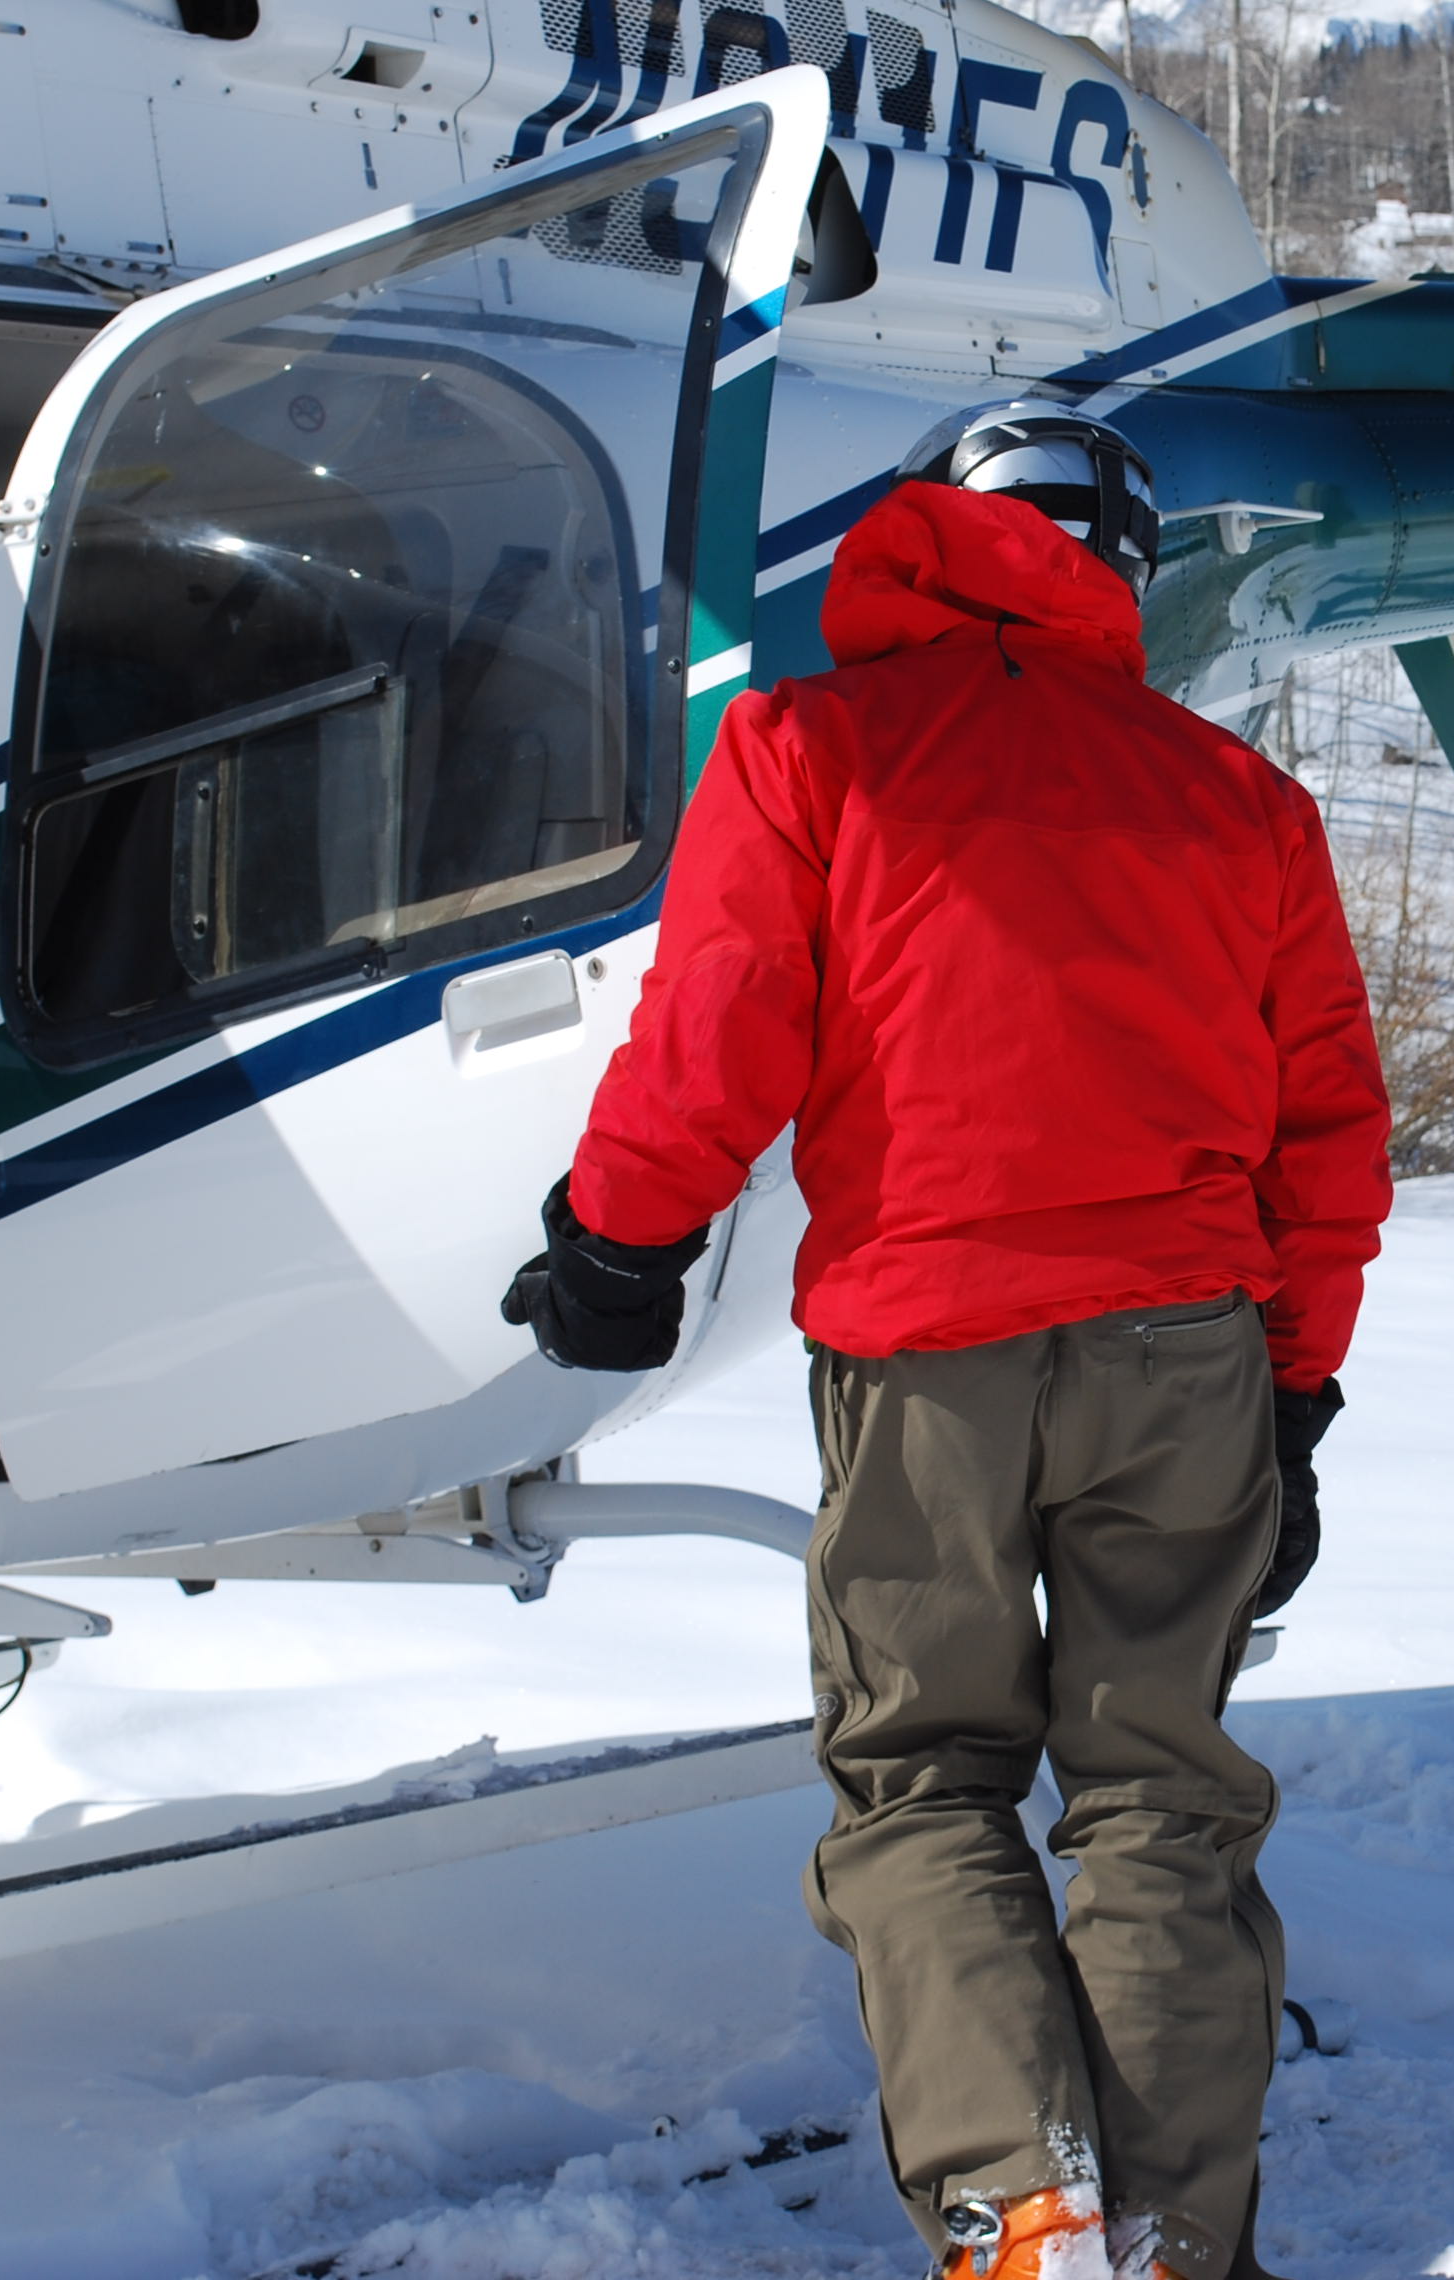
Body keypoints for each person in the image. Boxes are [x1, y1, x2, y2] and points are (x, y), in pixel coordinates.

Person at [501, 405, 1394, 2280]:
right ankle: (1168, 2239)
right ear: (1123, 568)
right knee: (1159, 1790)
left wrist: (621, 1237)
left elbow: (720, 1025)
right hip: (1184, 1352)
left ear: (935, 525)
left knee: (922, 1779)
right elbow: (1327, 1141)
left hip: (927, 1358)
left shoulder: (813, 744)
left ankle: (1027, 2211)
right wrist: (1297, 1394)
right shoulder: (1237, 801)